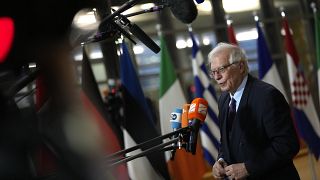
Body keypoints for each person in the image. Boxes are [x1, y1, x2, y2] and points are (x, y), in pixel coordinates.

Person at [209, 43, 300, 180]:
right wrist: (221, 159)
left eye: (221, 69)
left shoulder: (267, 96)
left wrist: (248, 168)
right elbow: (227, 140)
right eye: (213, 72)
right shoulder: (223, 99)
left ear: (240, 66)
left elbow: (287, 145)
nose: (217, 77)